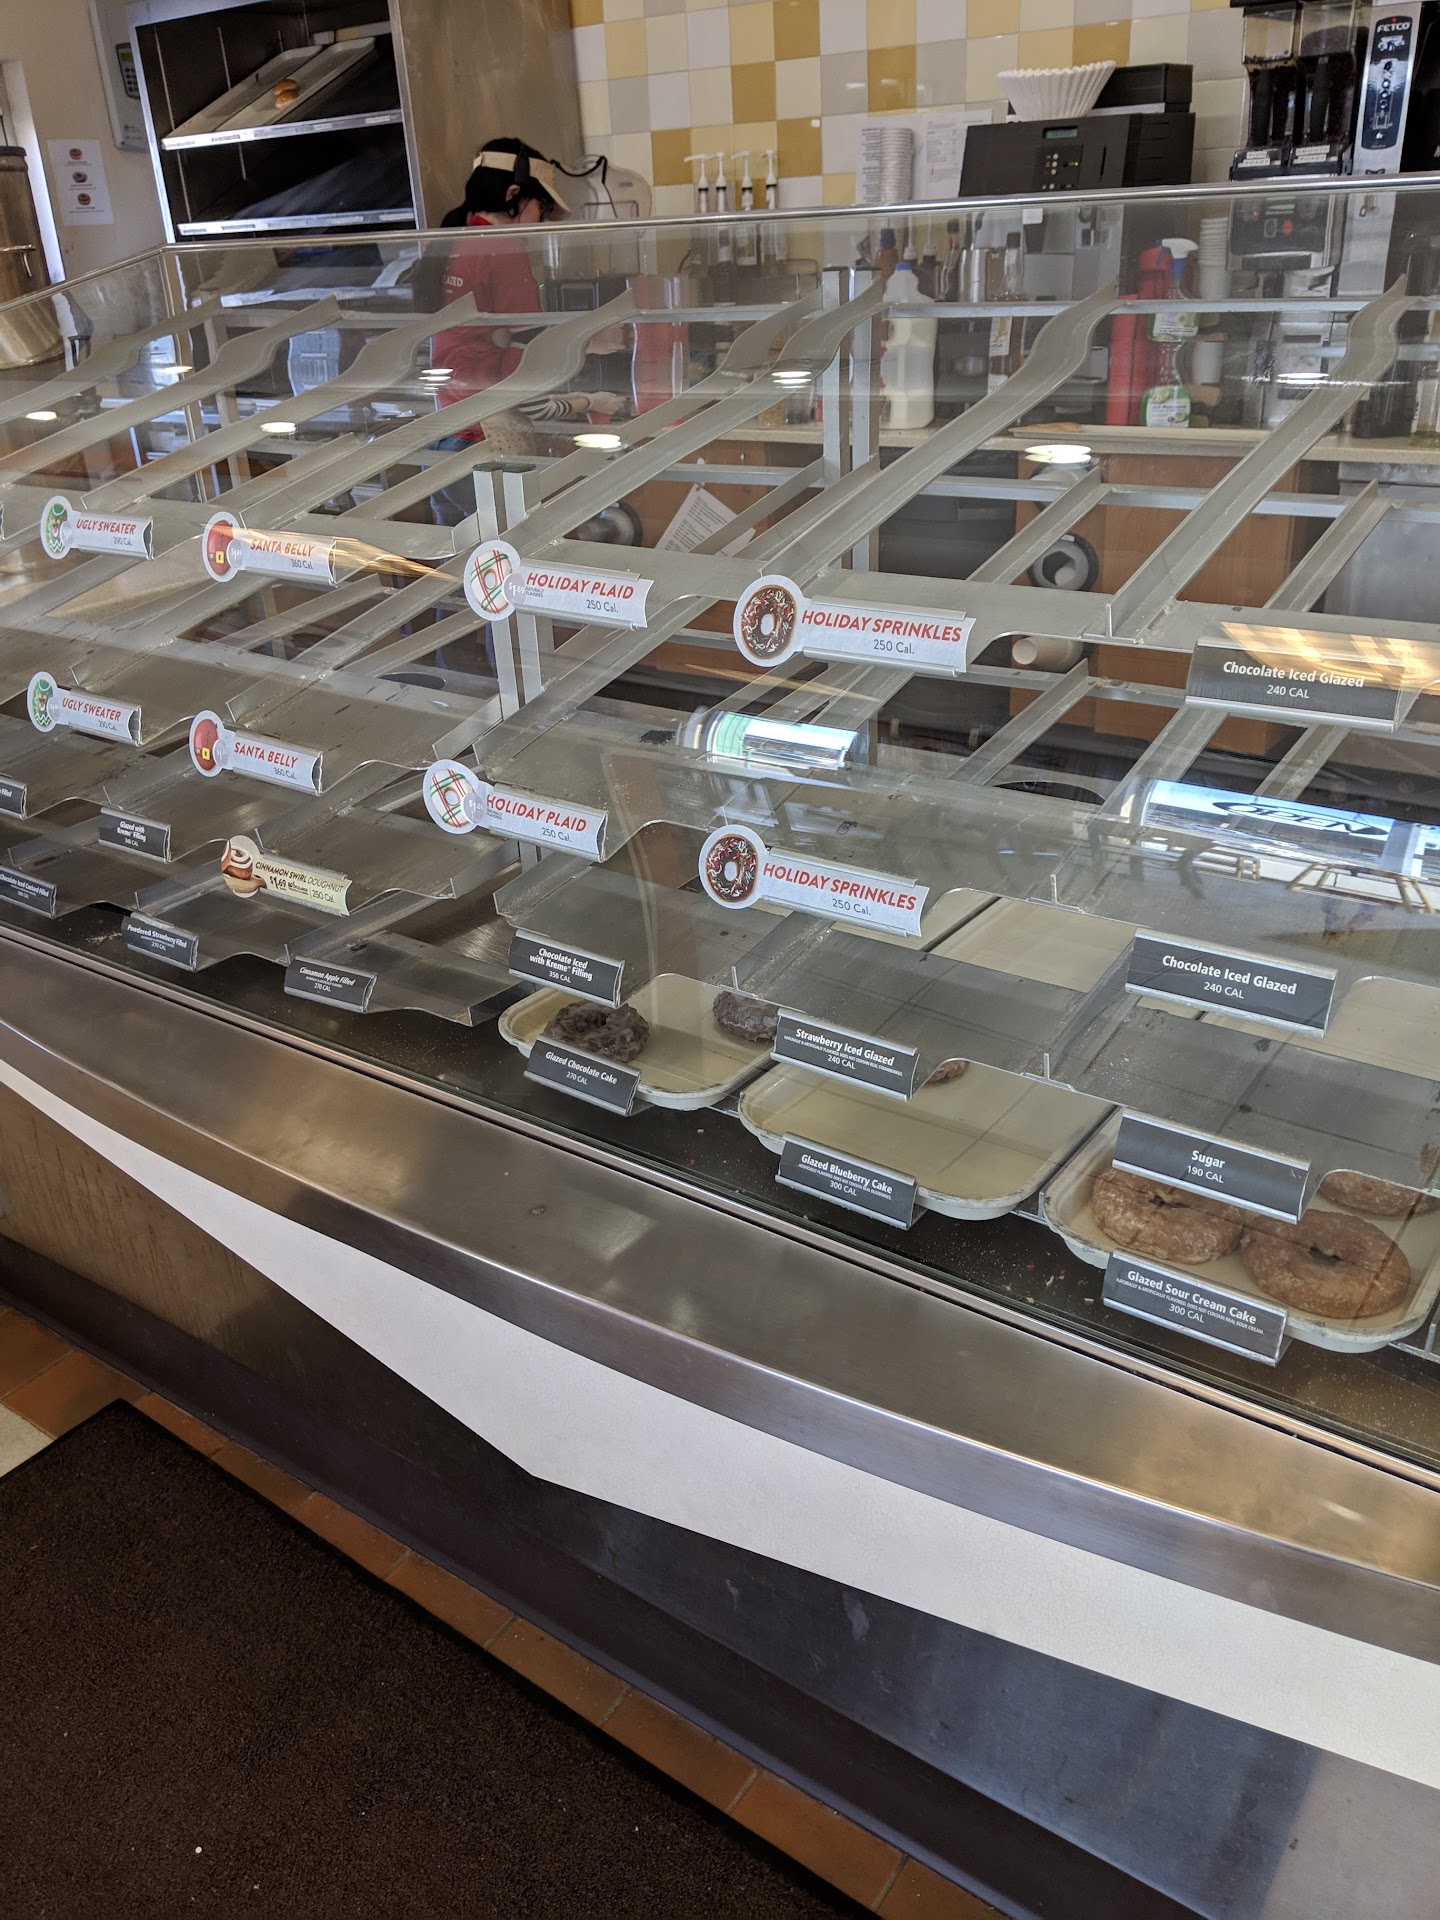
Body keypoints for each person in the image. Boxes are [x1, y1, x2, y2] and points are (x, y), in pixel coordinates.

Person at [425, 137, 625, 526]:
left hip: (440, 437)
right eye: (542, 208)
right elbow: (529, 384)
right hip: (483, 445)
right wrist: (587, 374)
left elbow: (486, 342)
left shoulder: (446, 241)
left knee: (456, 559)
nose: (542, 221)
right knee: (509, 557)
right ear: (514, 195)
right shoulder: (502, 248)